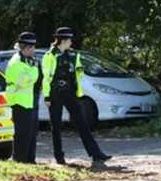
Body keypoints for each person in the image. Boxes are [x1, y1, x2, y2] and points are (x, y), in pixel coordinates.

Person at [42, 27, 111, 164]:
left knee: (82, 123)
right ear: (63, 40)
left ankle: (96, 153)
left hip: (70, 92)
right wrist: (47, 96)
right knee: (56, 126)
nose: (71, 42)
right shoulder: (49, 56)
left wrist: (78, 89)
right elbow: (46, 77)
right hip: (55, 92)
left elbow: (78, 73)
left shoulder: (74, 55)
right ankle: (59, 157)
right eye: (69, 39)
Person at [5, 31, 42, 163]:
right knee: (22, 135)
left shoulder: (27, 60)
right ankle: (20, 161)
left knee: (31, 134)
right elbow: (27, 80)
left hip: (29, 101)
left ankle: (31, 160)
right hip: (20, 102)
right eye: (32, 47)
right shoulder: (16, 62)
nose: (34, 50)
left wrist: (33, 67)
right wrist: (34, 69)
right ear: (26, 48)